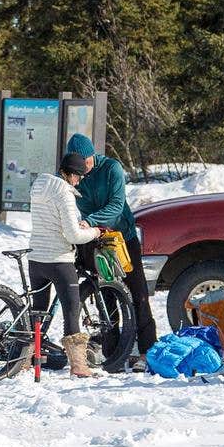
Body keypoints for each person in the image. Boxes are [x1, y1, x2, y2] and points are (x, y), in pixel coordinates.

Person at [68, 133, 159, 369]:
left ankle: (147, 350)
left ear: (92, 156)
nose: (83, 169)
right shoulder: (75, 174)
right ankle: (113, 353)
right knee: (105, 294)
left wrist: (91, 220)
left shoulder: (111, 168)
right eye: (79, 165)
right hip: (94, 239)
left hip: (122, 237)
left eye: (86, 163)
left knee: (137, 292)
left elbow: (117, 206)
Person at [29, 151, 102, 378]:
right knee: (71, 309)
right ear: (71, 175)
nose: (79, 181)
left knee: (38, 311)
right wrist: (94, 232)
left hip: (36, 257)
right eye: (78, 177)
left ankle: (25, 358)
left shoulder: (40, 185)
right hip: (59, 260)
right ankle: (79, 366)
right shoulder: (64, 193)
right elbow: (71, 235)